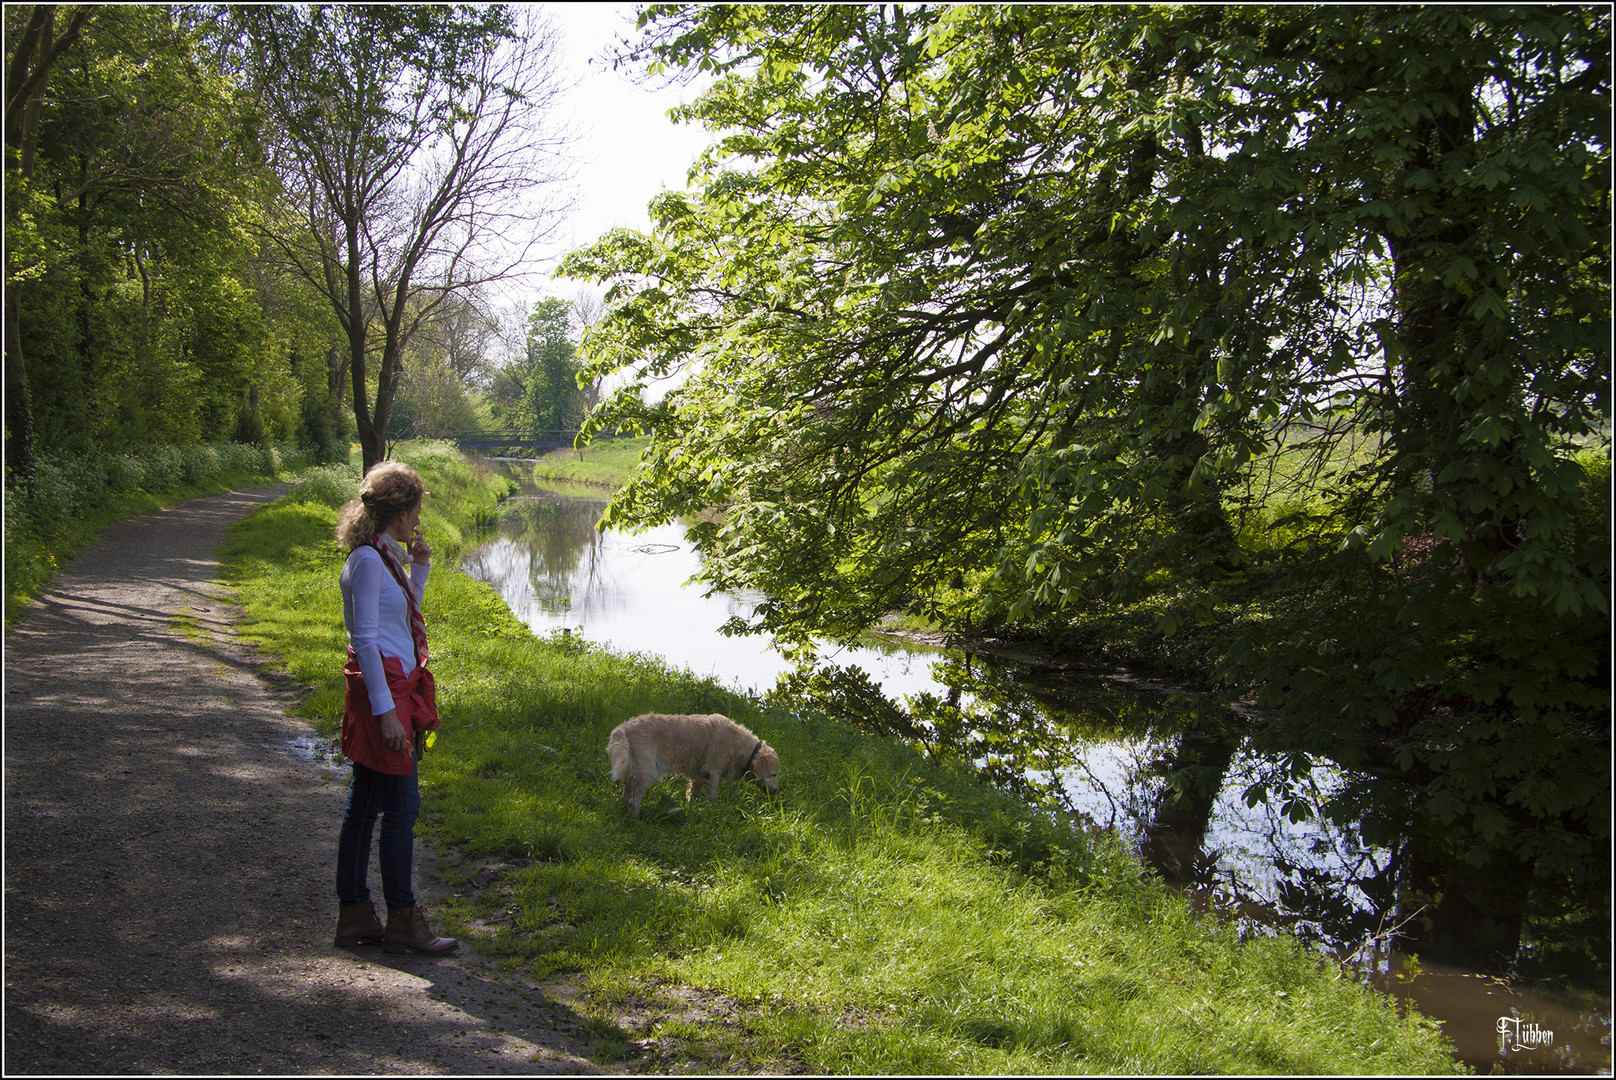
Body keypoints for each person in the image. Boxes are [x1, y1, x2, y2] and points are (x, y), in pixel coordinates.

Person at [330, 461, 457, 955]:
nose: (418, 519)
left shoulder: (384, 556)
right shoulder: (366, 561)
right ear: (402, 512)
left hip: (391, 686)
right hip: (382, 693)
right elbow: (364, 638)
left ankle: (355, 914)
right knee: (402, 806)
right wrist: (386, 715)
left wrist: (419, 568)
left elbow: (399, 618)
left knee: (365, 803)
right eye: (417, 510)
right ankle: (402, 919)